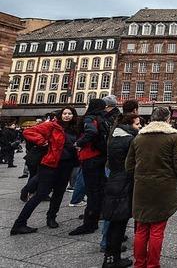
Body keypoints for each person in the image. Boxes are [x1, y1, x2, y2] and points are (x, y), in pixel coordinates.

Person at [126, 107, 177, 268]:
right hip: (163, 188)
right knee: (157, 229)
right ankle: (153, 264)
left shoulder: (138, 138)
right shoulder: (173, 137)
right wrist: (174, 176)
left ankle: (139, 264)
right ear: (167, 119)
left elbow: (129, 165)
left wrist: (141, 175)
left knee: (140, 228)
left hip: (141, 188)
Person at [11, 107, 81, 235]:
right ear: (60, 115)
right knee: (41, 194)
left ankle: (51, 218)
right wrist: (42, 141)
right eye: (64, 113)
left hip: (66, 165)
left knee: (59, 193)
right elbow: (29, 132)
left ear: (73, 116)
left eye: (70, 114)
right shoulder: (51, 126)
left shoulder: (75, 129)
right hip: (50, 164)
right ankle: (19, 223)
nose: (67, 116)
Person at [101, 113, 141, 268]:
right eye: (137, 124)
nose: (139, 127)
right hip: (125, 183)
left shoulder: (114, 137)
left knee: (114, 221)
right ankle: (113, 259)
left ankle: (110, 256)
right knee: (120, 222)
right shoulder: (130, 140)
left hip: (114, 180)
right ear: (129, 125)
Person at [69, 98, 109, 236]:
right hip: (101, 157)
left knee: (92, 192)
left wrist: (79, 143)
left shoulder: (90, 118)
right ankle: (98, 218)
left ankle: (89, 224)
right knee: (99, 190)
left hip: (90, 158)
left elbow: (91, 132)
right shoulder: (103, 119)